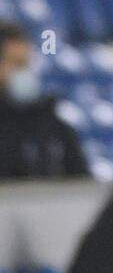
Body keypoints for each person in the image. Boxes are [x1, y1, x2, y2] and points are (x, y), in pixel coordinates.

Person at [0, 20, 88, 181]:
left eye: (27, 64)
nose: (24, 73)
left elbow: (81, 185)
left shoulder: (54, 127)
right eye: (18, 65)